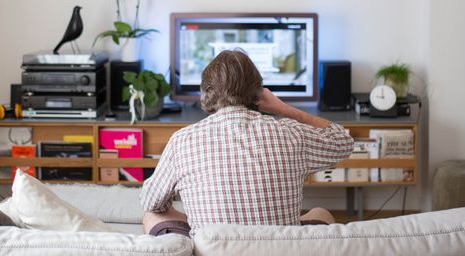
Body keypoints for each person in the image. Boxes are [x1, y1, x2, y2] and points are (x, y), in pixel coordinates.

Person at [140, 49, 354, 237]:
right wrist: (284, 109)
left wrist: (195, 214)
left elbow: (151, 202)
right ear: (259, 92)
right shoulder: (292, 134)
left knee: (152, 215)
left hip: (213, 246)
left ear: (206, 91)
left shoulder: (182, 141)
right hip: (280, 248)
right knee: (321, 213)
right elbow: (343, 141)